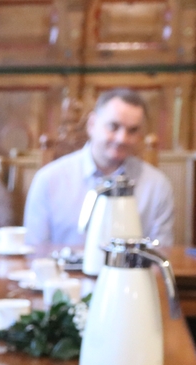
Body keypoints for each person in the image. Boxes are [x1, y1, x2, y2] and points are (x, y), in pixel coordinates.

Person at [24, 89, 175, 248]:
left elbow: (161, 251)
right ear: (91, 124)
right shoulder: (49, 180)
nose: (122, 138)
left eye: (132, 130)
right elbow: (35, 250)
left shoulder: (157, 185)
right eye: (113, 127)